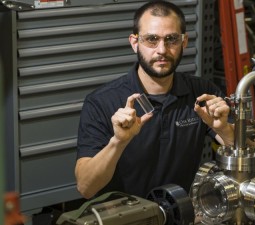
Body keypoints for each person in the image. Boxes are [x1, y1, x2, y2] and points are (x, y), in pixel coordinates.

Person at [75, 0, 235, 199]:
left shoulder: (202, 93)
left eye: (171, 39)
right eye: (152, 39)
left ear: (184, 41)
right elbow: (85, 187)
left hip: (180, 215)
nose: (162, 50)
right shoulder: (101, 102)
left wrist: (224, 129)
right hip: (125, 217)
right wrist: (117, 142)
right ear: (135, 43)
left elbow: (252, 153)